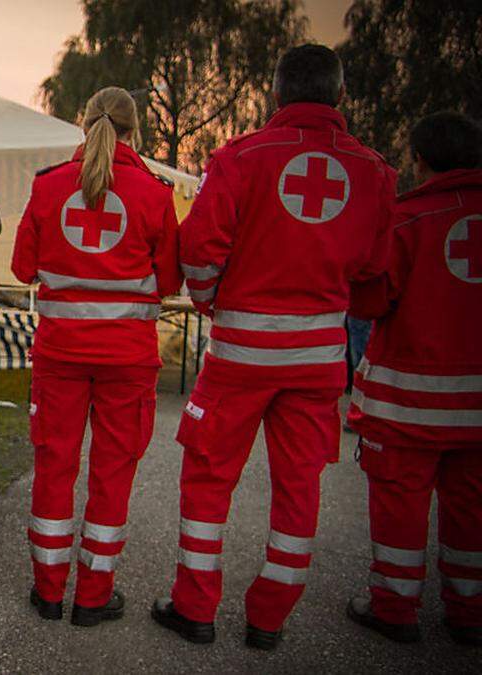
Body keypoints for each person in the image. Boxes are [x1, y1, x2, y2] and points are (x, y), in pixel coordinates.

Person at [151, 44, 396, 649]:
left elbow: (200, 248)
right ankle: (269, 618)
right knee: (299, 487)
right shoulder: (375, 172)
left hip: (239, 354)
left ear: (277, 93)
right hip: (318, 360)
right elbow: (376, 275)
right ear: (339, 96)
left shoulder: (240, 157)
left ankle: (195, 607)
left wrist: (212, 303)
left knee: (208, 477)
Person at [11, 86, 181, 626]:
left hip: (60, 356)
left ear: (83, 126)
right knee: (113, 474)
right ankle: (93, 597)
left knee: (54, 467)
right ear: (135, 131)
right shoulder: (155, 194)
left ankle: (48, 592)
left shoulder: (48, 186)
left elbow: (21, 268)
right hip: (128, 363)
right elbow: (171, 277)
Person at [344, 111, 482, 646]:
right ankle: (469, 611)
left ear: (421, 159)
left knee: (400, 503)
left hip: (409, 399)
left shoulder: (408, 219)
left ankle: (394, 608)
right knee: (471, 505)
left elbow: (372, 299)